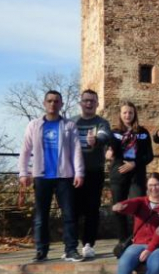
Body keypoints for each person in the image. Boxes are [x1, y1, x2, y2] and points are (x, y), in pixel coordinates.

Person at [18, 90, 85, 262]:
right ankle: (41, 250)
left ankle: (71, 249)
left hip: (64, 176)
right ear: (44, 103)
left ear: (61, 104)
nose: (53, 104)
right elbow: (25, 151)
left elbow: (76, 150)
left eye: (56, 101)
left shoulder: (69, 126)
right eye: (49, 101)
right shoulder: (34, 125)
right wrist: (23, 173)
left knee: (69, 214)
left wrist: (79, 172)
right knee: (41, 216)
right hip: (41, 176)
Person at [71, 89, 111, 259]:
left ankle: (88, 244)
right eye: (86, 100)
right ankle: (71, 245)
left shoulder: (101, 122)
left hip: (94, 172)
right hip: (73, 173)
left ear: (97, 104)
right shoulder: (72, 122)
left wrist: (96, 140)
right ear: (81, 103)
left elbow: (104, 135)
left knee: (92, 209)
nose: (89, 103)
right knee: (72, 210)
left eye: (92, 101)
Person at [108, 102, 154, 245]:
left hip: (137, 174)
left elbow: (149, 155)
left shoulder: (143, 132)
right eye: (125, 113)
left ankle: (138, 237)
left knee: (139, 207)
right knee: (119, 207)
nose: (128, 115)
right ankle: (123, 240)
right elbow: (109, 149)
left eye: (130, 113)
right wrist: (108, 151)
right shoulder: (114, 132)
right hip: (119, 174)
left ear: (135, 114)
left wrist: (135, 163)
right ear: (120, 115)